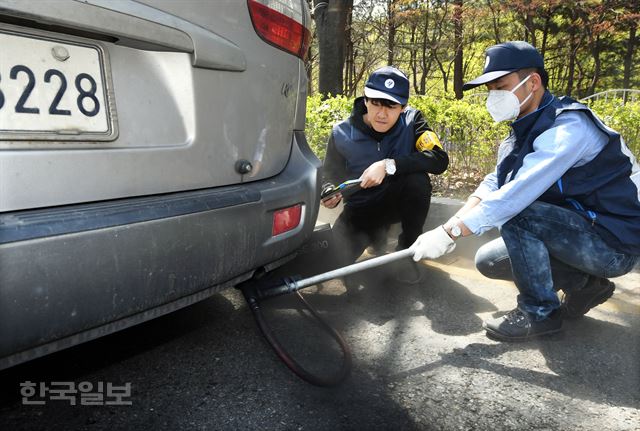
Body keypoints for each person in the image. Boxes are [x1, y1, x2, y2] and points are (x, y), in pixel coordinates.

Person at [411, 41, 640, 341]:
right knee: (489, 261)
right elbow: (495, 183)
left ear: (533, 82)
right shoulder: (522, 129)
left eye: (501, 86)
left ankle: (540, 313)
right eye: (490, 89)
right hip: (580, 231)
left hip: (614, 243)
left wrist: (451, 233)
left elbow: (516, 194)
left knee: (519, 215)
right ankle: (586, 285)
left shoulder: (568, 127)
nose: (493, 96)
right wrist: (449, 226)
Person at [321, 66, 448, 282]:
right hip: (361, 211)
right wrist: (327, 192)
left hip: (396, 203)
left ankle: (406, 252)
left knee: (417, 181)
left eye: (391, 106)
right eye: (376, 103)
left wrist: (389, 165)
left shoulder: (412, 121)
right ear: (366, 100)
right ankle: (374, 236)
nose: (382, 113)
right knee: (327, 268)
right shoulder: (341, 132)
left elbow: (439, 159)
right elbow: (328, 175)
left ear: (403, 107)